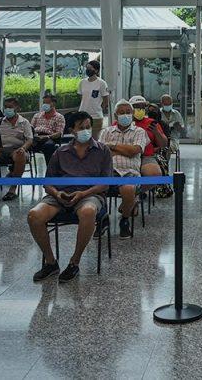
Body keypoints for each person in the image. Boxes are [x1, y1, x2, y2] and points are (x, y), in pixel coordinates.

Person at [27, 111, 113, 283]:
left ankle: (74, 262)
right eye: (81, 128)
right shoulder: (61, 152)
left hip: (90, 194)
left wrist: (83, 194)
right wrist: (57, 193)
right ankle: (50, 262)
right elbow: (48, 183)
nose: (86, 131)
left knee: (88, 212)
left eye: (88, 127)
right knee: (34, 215)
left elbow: (105, 184)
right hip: (60, 196)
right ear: (72, 130)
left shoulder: (103, 150)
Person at [99, 100, 153, 238]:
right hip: (108, 171)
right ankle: (102, 219)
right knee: (96, 187)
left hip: (130, 172)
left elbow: (134, 151)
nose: (125, 115)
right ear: (115, 116)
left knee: (128, 189)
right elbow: (101, 152)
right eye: (121, 112)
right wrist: (125, 149)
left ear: (132, 114)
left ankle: (124, 220)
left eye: (128, 112)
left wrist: (112, 146)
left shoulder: (139, 132)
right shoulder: (106, 131)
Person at [0, 97, 33, 201]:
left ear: (17, 108)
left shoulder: (24, 122)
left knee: (21, 155)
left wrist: (23, 148)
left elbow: (29, 139)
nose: (7, 109)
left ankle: (12, 189)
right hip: (0, 150)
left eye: (10, 107)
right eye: (5, 107)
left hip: (16, 149)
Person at [30, 93, 66, 165]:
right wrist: (34, 136)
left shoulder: (59, 117)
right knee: (21, 144)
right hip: (36, 138)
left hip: (49, 138)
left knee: (48, 146)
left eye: (48, 103)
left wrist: (47, 137)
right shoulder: (37, 115)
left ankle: (50, 168)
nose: (45, 105)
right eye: (44, 102)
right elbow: (30, 128)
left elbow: (59, 133)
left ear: (54, 103)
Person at [78, 60, 110, 138]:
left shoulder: (102, 83)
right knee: (83, 138)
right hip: (82, 115)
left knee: (95, 139)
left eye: (90, 68)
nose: (88, 70)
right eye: (87, 68)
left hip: (96, 116)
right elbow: (81, 97)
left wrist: (99, 108)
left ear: (96, 70)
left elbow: (106, 99)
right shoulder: (82, 82)